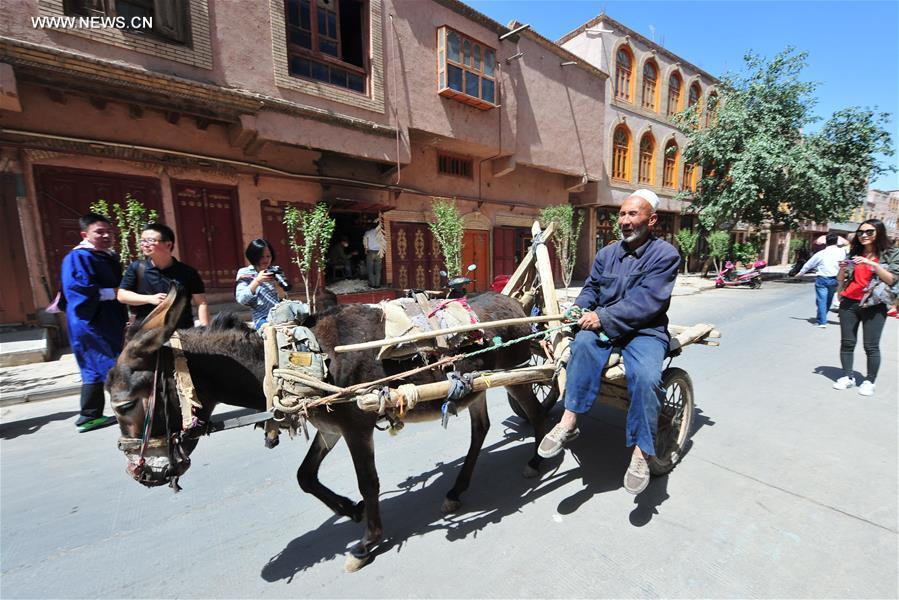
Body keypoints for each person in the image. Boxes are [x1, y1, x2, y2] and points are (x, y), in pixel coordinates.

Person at [537, 189, 680, 495]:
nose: (625, 221)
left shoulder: (665, 255)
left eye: (633, 214)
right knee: (582, 346)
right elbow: (591, 290)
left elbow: (648, 302)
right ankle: (569, 421)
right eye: (622, 214)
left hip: (645, 331)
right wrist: (578, 308)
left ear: (651, 220)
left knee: (645, 378)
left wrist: (602, 318)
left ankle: (642, 452)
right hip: (606, 327)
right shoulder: (606, 254)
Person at [61, 213, 128, 433]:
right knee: (108, 365)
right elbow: (79, 291)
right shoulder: (78, 257)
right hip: (90, 322)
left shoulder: (105, 255)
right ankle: (120, 410)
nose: (107, 235)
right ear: (84, 234)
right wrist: (115, 293)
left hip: (107, 319)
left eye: (109, 231)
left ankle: (91, 415)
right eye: (100, 232)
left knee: (98, 367)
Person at [832, 219, 899, 396]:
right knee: (847, 343)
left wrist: (873, 264)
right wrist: (842, 270)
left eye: (869, 232)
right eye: (860, 232)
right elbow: (842, 278)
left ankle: (869, 380)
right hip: (849, 302)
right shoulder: (854, 252)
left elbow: (892, 280)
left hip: (874, 305)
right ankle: (848, 376)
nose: (864, 235)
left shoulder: (891, 253)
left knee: (871, 346)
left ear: (879, 233)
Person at [117, 223, 208, 330]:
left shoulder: (188, 272)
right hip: (146, 334)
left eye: (150, 241)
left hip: (181, 332)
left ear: (168, 245)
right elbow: (121, 295)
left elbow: (201, 302)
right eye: (142, 241)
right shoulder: (137, 268)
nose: (145, 245)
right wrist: (150, 299)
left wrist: (205, 331)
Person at [793, 233, 847, 328]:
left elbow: (809, 264)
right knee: (828, 300)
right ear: (836, 242)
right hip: (835, 279)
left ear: (826, 242)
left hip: (822, 279)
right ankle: (821, 318)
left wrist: (800, 274)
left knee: (821, 300)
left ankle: (822, 321)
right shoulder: (842, 252)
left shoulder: (821, 253)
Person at [235, 238, 286, 329]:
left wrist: (279, 287)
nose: (266, 260)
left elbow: (284, 299)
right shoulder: (245, 273)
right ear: (253, 256)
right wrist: (257, 281)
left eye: (268, 256)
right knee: (270, 332)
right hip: (262, 318)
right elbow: (241, 299)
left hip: (282, 315)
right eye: (261, 256)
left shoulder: (276, 271)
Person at [363, 222, 383, 288]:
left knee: (370, 269)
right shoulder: (380, 233)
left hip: (370, 252)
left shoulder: (367, 233)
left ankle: (372, 284)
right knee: (378, 269)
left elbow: (365, 242)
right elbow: (383, 242)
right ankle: (377, 284)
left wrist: (366, 249)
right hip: (379, 252)